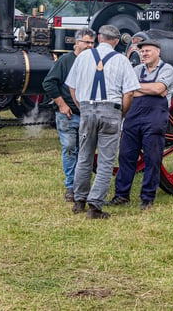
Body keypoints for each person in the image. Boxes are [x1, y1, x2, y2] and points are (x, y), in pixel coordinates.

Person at [65, 24, 140, 219]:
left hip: (87, 109)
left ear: (99, 38)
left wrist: (82, 107)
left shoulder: (82, 57)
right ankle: (95, 206)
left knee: (84, 156)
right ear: (116, 42)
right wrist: (121, 113)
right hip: (111, 110)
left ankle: (79, 200)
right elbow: (130, 92)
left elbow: (72, 88)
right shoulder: (122, 60)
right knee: (106, 161)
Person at [108, 39, 173, 210]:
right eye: (142, 51)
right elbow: (127, 90)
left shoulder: (167, 69)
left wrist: (137, 88)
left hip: (154, 120)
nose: (144, 54)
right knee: (125, 156)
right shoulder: (137, 69)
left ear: (158, 51)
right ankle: (121, 195)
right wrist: (147, 88)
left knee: (152, 159)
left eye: (148, 51)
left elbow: (159, 89)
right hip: (132, 119)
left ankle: (147, 198)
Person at [41, 28, 96, 202]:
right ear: (76, 42)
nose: (90, 46)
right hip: (69, 114)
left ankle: (82, 186)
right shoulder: (65, 61)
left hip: (87, 114)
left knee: (85, 152)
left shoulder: (94, 61)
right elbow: (49, 83)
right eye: (87, 42)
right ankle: (71, 187)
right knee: (71, 149)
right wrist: (62, 104)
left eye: (92, 43)